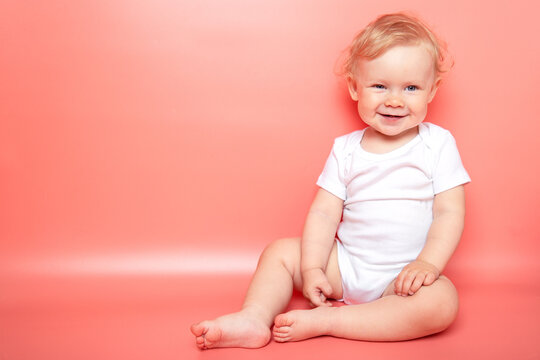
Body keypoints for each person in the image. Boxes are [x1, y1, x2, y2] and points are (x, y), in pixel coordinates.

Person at [191, 12, 470, 349]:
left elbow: (449, 213)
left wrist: (428, 263)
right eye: (379, 86)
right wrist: (312, 269)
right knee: (279, 252)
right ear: (355, 87)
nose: (395, 100)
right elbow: (324, 214)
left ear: (431, 91)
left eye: (411, 88)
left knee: (442, 302)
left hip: (404, 277)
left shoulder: (436, 144)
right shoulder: (346, 149)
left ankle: (330, 320)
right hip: (347, 264)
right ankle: (253, 317)